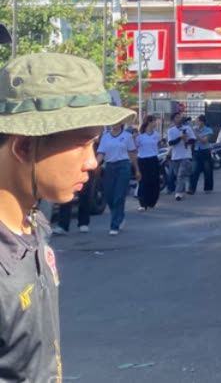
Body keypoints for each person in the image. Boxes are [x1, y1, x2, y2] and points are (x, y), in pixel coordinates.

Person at [0, 52, 134, 381]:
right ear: (24, 147)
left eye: (95, 145)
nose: (92, 162)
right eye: (83, 144)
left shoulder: (32, 223)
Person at [96, 122, 141, 236]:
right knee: (109, 195)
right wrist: (95, 164)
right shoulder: (105, 137)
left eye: (117, 122)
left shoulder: (127, 136)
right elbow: (101, 153)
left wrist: (137, 169)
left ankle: (114, 225)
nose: (114, 124)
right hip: (109, 167)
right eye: (113, 122)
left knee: (119, 195)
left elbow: (132, 154)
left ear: (121, 123)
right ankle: (119, 215)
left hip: (123, 166)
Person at [167, 112, 196, 201]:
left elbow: (193, 140)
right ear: (173, 120)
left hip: (186, 155)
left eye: (179, 117)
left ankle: (178, 193)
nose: (178, 118)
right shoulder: (171, 131)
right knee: (178, 175)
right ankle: (182, 190)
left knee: (181, 175)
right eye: (176, 117)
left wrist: (186, 140)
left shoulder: (187, 128)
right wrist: (180, 137)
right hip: (175, 156)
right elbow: (171, 143)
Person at [136, 115, 161, 211]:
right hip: (143, 160)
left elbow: (159, 145)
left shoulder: (156, 135)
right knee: (143, 181)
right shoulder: (140, 136)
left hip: (153, 159)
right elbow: (135, 147)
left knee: (154, 181)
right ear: (149, 122)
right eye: (154, 121)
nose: (156, 123)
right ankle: (143, 203)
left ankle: (152, 201)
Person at [189, 115, 214, 195]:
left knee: (207, 170)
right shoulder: (194, 129)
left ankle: (208, 188)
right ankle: (191, 188)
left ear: (202, 122)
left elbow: (204, 141)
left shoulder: (208, 130)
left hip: (205, 151)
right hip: (196, 151)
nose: (197, 123)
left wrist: (195, 134)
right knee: (194, 170)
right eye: (196, 121)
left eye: (198, 121)